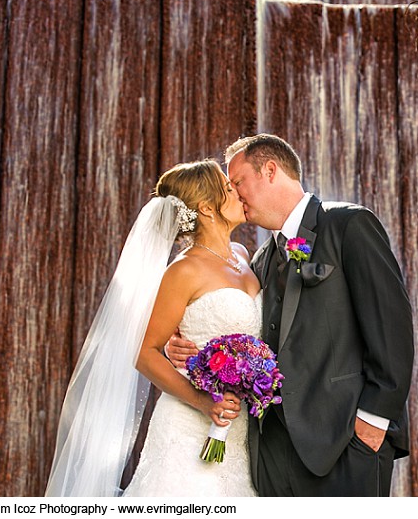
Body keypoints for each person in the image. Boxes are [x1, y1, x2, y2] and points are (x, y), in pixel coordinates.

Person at [167, 134, 414, 496]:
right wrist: (188, 346)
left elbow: (392, 328)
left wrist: (372, 423)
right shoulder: (259, 261)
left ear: (270, 170)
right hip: (271, 454)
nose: (234, 195)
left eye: (237, 183)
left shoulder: (349, 225)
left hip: (345, 443)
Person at [45, 159, 261, 497]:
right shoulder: (183, 271)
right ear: (206, 208)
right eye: (228, 187)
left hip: (243, 428)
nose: (238, 191)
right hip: (191, 426)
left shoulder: (242, 254)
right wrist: (203, 401)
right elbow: (144, 353)